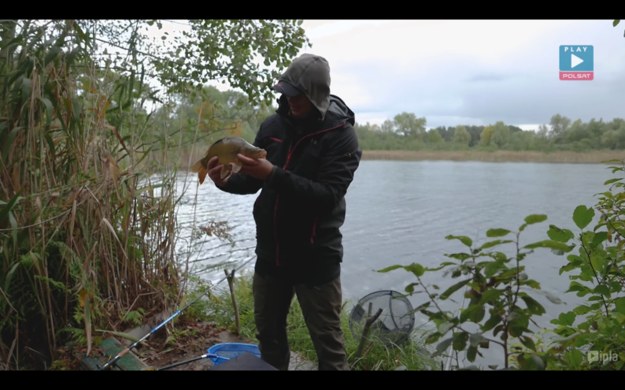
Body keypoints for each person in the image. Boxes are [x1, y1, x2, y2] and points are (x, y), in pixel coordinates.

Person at [205, 53, 361, 370]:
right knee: (270, 342)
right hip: (271, 253)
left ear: (316, 96)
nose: (289, 100)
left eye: (297, 95)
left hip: (316, 257)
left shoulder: (341, 135)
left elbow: (327, 197)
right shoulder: (273, 126)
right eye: (286, 92)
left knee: (329, 351)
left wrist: (272, 174)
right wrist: (224, 181)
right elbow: (252, 181)